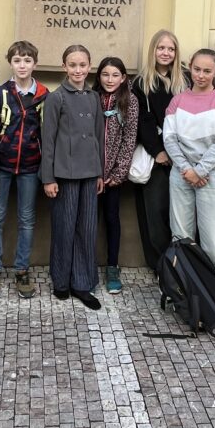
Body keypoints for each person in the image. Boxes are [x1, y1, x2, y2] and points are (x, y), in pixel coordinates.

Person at [163, 49, 215, 316]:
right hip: (181, 174)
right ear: (190, 69)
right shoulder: (177, 101)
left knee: (213, 240)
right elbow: (169, 139)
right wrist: (188, 170)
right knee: (180, 237)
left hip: (212, 175)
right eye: (197, 69)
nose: (201, 75)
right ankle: (182, 291)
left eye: (207, 71)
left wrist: (200, 170)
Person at [0, 40, 49, 300]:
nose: (22, 65)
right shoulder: (0, 94)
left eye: (27, 60)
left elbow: (48, 136)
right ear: (10, 63)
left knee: (26, 219)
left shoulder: (43, 95)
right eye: (17, 60)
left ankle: (22, 269)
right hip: (1, 167)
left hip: (31, 167)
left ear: (35, 64)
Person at [41, 44, 104, 310]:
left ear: (89, 67)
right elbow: (48, 141)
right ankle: (61, 280)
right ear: (64, 67)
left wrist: (100, 172)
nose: (78, 70)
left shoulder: (94, 97)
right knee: (64, 227)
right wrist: (48, 178)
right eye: (73, 65)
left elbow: (99, 137)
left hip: (90, 173)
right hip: (64, 174)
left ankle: (82, 282)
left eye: (83, 65)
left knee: (86, 229)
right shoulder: (56, 98)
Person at [132, 29, 189, 272]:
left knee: (181, 215)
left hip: (185, 158)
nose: (166, 53)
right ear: (153, 50)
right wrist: (158, 151)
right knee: (155, 214)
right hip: (156, 158)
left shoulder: (186, 80)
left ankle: (182, 265)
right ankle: (161, 267)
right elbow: (142, 121)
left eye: (171, 49)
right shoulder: (141, 83)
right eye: (161, 48)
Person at [93, 56, 138, 294]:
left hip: (113, 176)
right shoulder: (92, 97)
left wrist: (118, 173)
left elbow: (129, 139)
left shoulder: (129, 101)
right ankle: (87, 267)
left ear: (123, 78)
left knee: (111, 219)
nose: (110, 80)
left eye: (115, 75)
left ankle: (112, 267)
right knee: (89, 221)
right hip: (90, 174)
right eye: (105, 74)